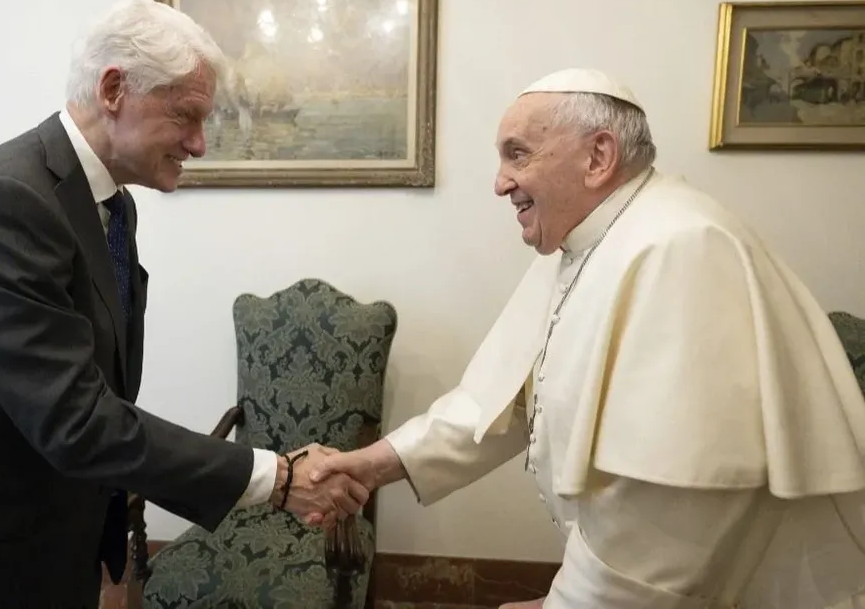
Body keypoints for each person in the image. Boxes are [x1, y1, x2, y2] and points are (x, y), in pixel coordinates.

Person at [0, 0, 366, 608]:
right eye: (187, 116)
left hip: (42, 537)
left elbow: (101, 389)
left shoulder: (110, 204)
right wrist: (278, 478)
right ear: (112, 89)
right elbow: (76, 419)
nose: (200, 144)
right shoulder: (0, 201)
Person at [309, 68, 865, 608]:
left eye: (517, 153)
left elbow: (670, 513)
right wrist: (375, 464)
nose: (499, 182)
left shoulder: (680, 249)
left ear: (598, 158)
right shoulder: (590, 240)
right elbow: (506, 399)